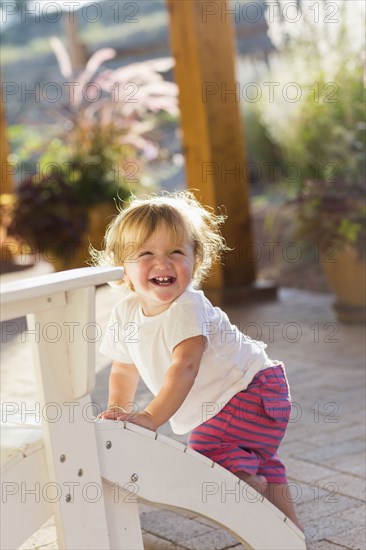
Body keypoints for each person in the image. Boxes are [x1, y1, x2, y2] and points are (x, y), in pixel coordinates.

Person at [96, 191, 303, 531]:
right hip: (251, 392)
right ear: (123, 266)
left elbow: (185, 367)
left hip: (251, 391)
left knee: (208, 449)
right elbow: (123, 366)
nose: (162, 263)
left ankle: (249, 494)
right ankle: (290, 535)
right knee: (263, 463)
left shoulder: (186, 307)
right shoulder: (125, 312)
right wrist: (119, 408)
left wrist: (150, 417)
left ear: (196, 258)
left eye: (176, 252)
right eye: (146, 253)